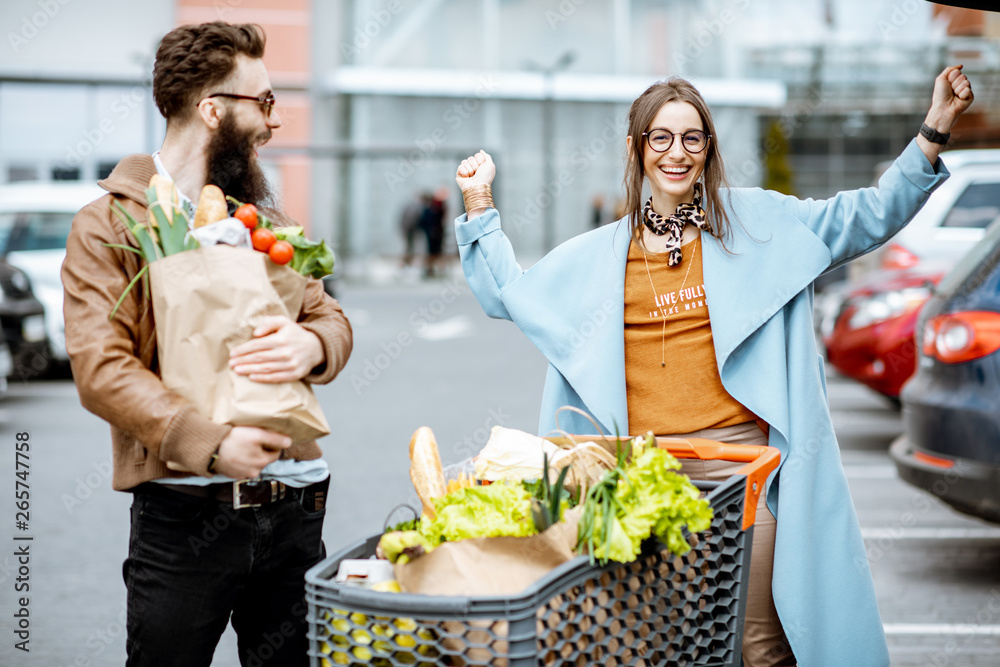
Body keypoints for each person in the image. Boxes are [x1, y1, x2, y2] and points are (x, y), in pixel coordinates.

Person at [453, 65, 973, 667]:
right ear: (636, 148)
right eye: (661, 138)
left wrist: (935, 126)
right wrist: (479, 199)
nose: (677, 153)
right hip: (640, 487)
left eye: (692, 138)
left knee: (758, 646)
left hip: (744, 481)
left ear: (709, 148)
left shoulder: (757, 226)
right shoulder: (598, 257)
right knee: (655, 649)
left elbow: (868, 215)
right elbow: (506, 294)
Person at [61, 22, 353, 667]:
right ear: (213, 108)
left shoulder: (269, 220)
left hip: (298, 511)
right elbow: (99, 367)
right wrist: (212, 443)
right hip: (186, 517)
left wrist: (312, 345)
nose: (275, 123)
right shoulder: (109, 223)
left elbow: (332, 317)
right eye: (266, 102)